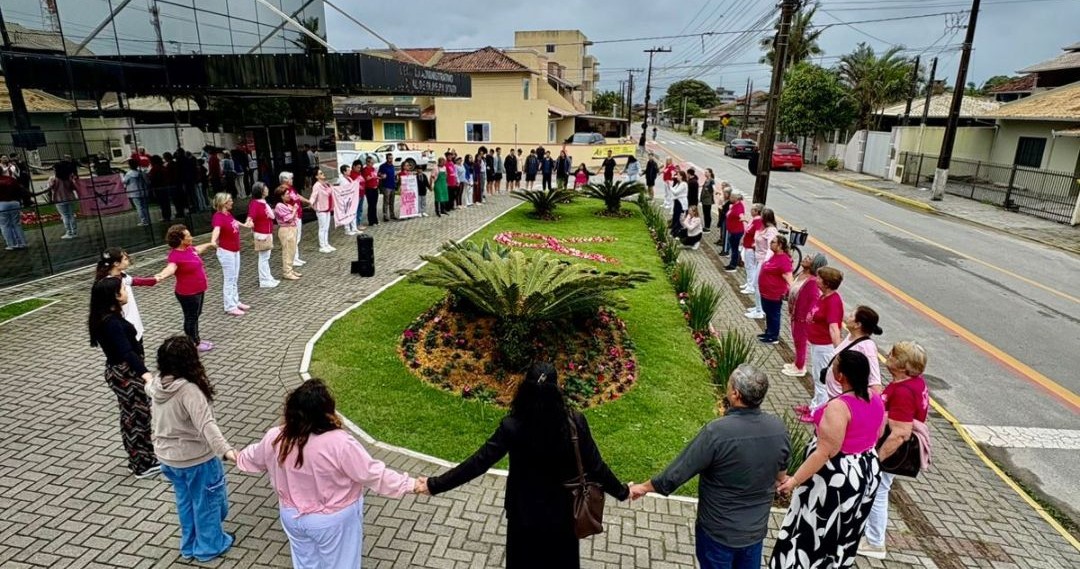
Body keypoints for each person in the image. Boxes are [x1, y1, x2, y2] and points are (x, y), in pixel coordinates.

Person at [422, 362, 630, 568]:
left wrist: (434, 485)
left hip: (523, 517)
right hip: (563, 516)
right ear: (557, 390)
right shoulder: (574, 423)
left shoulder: (512, 426)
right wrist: (623, 492)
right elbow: (597, 466)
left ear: (524, 390)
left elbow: (478, 463)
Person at [236, 379, 420, 568]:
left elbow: (253, 456)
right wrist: (412, 484)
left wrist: (235, 455)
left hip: (292, 516)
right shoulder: (339, 442)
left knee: (305, 563)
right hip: (332, 520)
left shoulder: (276, 437)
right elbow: (372, 474)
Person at [629, 365, 789, 569]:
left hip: (718, 533)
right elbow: (780, 475)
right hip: (754, 533)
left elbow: (677, 473)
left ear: (735, 394)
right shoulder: (778, 429)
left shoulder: (717, 432)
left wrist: (643, 488)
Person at [773, 350, 885, 569]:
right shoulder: (875, 398)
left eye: (835, 365)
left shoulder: (839, 407)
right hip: (866, 469)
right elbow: (878, 434)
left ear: (841, 376)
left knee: (816, 528)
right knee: (846, 528)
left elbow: (825, 452)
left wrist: (794, 481)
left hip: (836, 478)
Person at [148, 336, 237, 563]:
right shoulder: (189, 391)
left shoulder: (159, 384)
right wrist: (226, 451)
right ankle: (209, 547)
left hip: (169, 460)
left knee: (186, 501)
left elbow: (148, 386)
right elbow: (207, 425)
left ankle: (189, 545)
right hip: (196, 460)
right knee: (208, 502)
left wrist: (144, 375)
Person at [862, 341, 930, 560]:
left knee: (878, 491)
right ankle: (871, 536)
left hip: (888, 450)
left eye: (892, 354)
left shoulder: (903, 391)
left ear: (902, 365)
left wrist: (876, 459)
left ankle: (875, 543)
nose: (887, 356)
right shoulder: (913, 383)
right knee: (877, 490)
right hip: (884, 444)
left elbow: (900, 433)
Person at [88, 277, 159, 478]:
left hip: (119, 371)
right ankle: (143, 464)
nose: (127, 292)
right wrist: (145, 374)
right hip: (126, 374)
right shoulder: (111, 323)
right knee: (138, 417)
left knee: (130, 416)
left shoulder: (104, 317)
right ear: (115, 296)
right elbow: (126, 351)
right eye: (123, 289)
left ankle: (138, 458)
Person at [155, 225, 215, 352]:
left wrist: (210, 244)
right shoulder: (175, 255)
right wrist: (161, 275)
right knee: (191, 317)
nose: (191, 237)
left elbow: (197, 250)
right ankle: (193, 343)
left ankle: (196, 339)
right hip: (188, 294)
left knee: (196, 315)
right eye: (188, 236)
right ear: (181, 240)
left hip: (199, 290)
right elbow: (170, 268)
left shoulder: (189, 249)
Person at [803, 267, 846, 418]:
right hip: (817, 344)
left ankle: (818, 413)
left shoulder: (833, 302)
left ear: (827, 283)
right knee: (816, 375)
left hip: (824, 347)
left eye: (820, 278)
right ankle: (814, 404)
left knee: (822, 380)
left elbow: (834, 328)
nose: (817, 280)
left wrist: (839, 351)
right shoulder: (824, 297)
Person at [95, 247, 159, 344]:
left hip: (134, 324)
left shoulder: (122, 275)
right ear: (116, 263)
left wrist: (155, 279)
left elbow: (134, 281)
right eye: (125, 258)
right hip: (125, 327)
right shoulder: (108, 284)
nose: (128, 260)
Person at [782, 254, 827, 378]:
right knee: (796, 340)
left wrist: (806, 317)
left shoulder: (812, 281)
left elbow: (813, 300)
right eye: (807, 256)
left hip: (802, 317)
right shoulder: (801, 274)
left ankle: (800, 367)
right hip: (794, 314)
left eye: (809, 259)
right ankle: (796, 362)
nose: (805, 258)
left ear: (815, 265)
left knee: (800, 341)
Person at [210, 193, 254, 316]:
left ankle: (235, 301)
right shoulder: (218, 216)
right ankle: (229, 306)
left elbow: (235, 222)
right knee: (229, 279)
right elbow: (217, 229)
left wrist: (245, 225)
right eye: (230, 200)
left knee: (234, 277)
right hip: (226, 251)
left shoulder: (228, 214)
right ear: (224, 203)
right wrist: (213, 241)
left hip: (235, 250)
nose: (232, 202)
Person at [757, 234, 795, 345]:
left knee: (773, 314)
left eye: (773, 242)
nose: (770, 243)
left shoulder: (784, 260)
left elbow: (789, 278)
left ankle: (773, 336)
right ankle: (768, 332)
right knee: (768, 313)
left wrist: (790, 292)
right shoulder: (774, 255)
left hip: (774, 294)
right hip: (766, 293)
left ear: (779, 245)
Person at [746, 207, 778, 321]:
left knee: (757, 285)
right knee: (756, 284)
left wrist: (766, 262)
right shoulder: (763, 228)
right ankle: (758, 307)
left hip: (763, 260)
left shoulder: (771, 231)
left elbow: (771, 247)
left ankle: (760, 311)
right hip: (758, 257)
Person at [246, 182, 279, 288]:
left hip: (267, 232)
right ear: (260, 191)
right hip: (262, 233)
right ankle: (264, 279)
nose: (267, 189)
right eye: (265, 188)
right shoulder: (255, 203)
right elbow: (251, 216)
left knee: (266, 257)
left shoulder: (263, 202)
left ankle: (268, 277)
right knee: (263, 257)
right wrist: (249, 222)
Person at [740, 204, 765, 317]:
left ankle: (751, 285)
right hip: (748, 245)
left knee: (750, 266)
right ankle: (749, 283)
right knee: (748, 265)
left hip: (751, 247)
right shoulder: (754, 220)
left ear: (757, 211)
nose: (751, 211)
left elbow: (751, 232)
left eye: (753, 209)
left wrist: (744, 222)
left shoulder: (758, 221)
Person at [281, 171, 310, 267]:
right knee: (293, 238)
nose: (292, 180)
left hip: (298, 215)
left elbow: (297, 196)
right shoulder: (283, 191)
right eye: (290, 178)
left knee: (297, 237)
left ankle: (296, 257)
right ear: (285, 180)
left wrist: (307, 201)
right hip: (292, 217)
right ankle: (292, 259)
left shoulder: (291, 188)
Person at [274, 186, 302, 281]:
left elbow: (294, 216)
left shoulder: (286, 204)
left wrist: (294, 211)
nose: (289, 195)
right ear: (281, 196)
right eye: (287, 194)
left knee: (292, 250)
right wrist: (294, 210)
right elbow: (289, 218)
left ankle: (290, 269)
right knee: (287, 251)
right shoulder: (279, 206)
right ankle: (287, 272)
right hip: (286, 230)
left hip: (292, 228)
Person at [0, 168, 30, 251]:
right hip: (14, 203)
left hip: (2, 203)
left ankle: (11, 244)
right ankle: (22, 243)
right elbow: (19, 190)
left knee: (5, 225)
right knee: (17, 224)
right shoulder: (11, 179)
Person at [46, 170, 80, 239]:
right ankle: (74, 232)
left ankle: (69, 232)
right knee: (71, 215)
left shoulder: (53, 179)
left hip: (59, 200)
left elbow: (49, 189)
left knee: (65, 216)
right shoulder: (68, 178)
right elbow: (74, 187)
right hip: (70, 198)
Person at [309, 170, 336, 253]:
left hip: (327, 208)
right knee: (322, 228)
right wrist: (310, 202)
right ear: (316, 177)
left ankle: (326, 243)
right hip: (321, 209)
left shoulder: (325, 184)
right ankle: (322, 245)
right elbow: (313, 195)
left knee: (326, 227)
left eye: (322, 173)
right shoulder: (317, 186)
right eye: (320, 173)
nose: (323, 174)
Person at [123, 158, 152, 226]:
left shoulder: (129, 174)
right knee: (145, 206)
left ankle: (143, 221)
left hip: (134, 192)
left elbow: (124, 181)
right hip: (143, 191)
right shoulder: (142, 172)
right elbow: (148, 182)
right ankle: (148, 220)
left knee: (139, 207)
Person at [723, 190, 746, 272]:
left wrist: (743, 219)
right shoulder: (734, 205)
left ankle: (733, 265)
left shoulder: (739, 207)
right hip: (732, 231)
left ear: (736, 198)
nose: (730, 198)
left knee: (735, 249)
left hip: (737, 232)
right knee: (733, 249)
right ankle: (732, 263)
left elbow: (741, 216)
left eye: (732, 197)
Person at [149, 154, 172, 222]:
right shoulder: (163, 167)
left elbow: (152, 178)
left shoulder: (155, 168)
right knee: (166, 202)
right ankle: (168, 216)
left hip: (158, 187)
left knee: (162, 203)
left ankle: (165, 216)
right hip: (165, 186)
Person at [378, 153, 398, 221]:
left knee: (392, 202)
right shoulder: (383, 166)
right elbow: (379, 174)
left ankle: (392, 215)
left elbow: (393, 175)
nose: (391, 159)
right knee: (386, 202)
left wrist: (396, 177)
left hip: (392, 186)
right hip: (386, 186)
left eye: (392, 158)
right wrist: (382, 176)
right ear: (386, 158)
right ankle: (385, 216)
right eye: (389, 158)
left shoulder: (392, 166)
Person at [361, 155, 380, 226]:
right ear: (367, 162)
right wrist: (371, 177)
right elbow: (365, 179)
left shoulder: (373, 169)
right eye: (371, 162)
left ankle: (375, 220)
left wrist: (378, 178)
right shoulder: (365, 170)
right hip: (369, 189)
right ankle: (371, 221)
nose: (372, 164)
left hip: (375, 188)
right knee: (371, 205)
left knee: (374, 205)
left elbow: (375, 176)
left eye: (373, 162)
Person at [670, 171, 689, 237]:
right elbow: (673, 189)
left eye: (678, 175)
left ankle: (679, 233)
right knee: (675, 216)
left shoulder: (683, 184)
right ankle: (674, 231)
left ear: (681, 176)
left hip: (681, 203)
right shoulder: (678, 183)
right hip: (677, 201)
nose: (676, 176)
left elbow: (675, 192)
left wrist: (669, 186)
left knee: (679, 217)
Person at [715, 182, 732, 251]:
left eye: (723, 186)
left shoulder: (729, 201)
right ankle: (721, 238)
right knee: (721, 227)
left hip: (725, 217)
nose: (722, 187)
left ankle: (725, 245)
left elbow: (727, 210)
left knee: (724, 230)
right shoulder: (723, 195)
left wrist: (722, 208)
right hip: (721, 214)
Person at [700, 168, 716, 232]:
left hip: (708, 200)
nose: (705, 173)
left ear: (710, 173)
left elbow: (714, 187)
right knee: (705, 213)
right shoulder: (707, 180)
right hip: (704, 199)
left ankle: (707, 227)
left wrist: (716, 191)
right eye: (705, 172)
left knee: (707, 214)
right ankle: (706, 226)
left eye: (706, 172)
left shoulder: (711, 180)